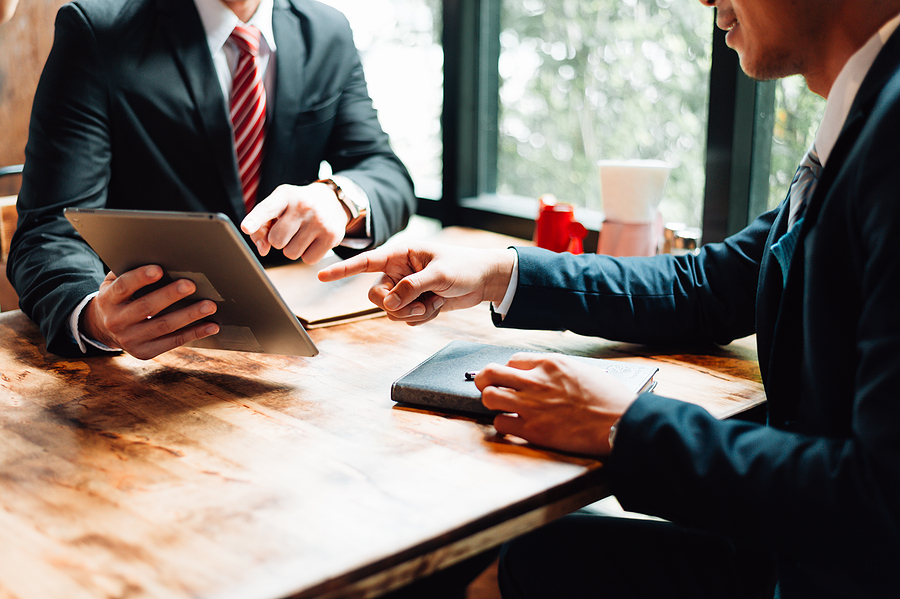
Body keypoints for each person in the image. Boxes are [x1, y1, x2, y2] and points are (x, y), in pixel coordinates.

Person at [318, 0, 900, 596]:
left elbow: (879, 504)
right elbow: (707, 286)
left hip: (830, 569)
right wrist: (499, 272)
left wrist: (624, 424)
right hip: (805, 546)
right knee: (513, 557)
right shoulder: (865, 110)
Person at [7, 0, 416, 360]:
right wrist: (95, 318)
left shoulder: (327, 30)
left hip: (304, 340)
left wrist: (339, 199)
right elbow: (49, 229)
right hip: (154, 347)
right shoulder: (97, 29)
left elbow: (384, 171)